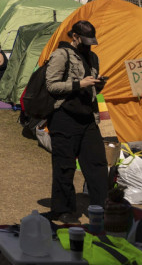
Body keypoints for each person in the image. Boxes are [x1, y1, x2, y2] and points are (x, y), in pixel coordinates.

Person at [44, 20, 107, 219]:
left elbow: (92, 88)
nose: (88, 44)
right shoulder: (61, 55)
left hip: (88, 117)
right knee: (65, 166)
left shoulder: (93, 57)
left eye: (91, 41)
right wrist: (79, 84)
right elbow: (51, 85)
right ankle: (63, 210)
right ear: (74, 37)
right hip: (64, 117)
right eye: (84, 40)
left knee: (97, 164)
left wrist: (98, 85)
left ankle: (102, 208)